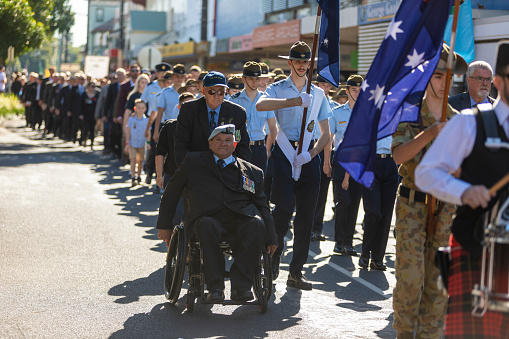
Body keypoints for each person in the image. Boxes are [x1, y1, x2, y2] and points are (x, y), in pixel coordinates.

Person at [415, 40, 509, 339]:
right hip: (477, 250)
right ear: (499, 82)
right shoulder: (471, 123)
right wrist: (464, 191)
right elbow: (426, 174)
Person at [391, 43, 467, 339]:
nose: (443, 82)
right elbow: (398, 156)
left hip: (446, 209)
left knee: (438, 284)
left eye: (447, 76)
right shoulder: (409, 112)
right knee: (410, 280)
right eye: (437, 76)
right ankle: (404, 335)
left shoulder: (460, 121)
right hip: (412, 205)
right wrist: (431, 133)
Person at [156, 124, 277, 303]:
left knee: (257, 225)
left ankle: (241, 287)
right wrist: (165, 225)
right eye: (218, 140)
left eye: (228, 140)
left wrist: (272, 238)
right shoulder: (193, 162)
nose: (223, 144)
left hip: (240, 219)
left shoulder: (252, 172)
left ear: (234, 145)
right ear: (210, 143)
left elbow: (262, 206)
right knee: (207, 225)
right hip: (207, 218)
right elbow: (171, 193)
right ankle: (215, 287)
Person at [256, 41, 332, 290]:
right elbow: (261, 105)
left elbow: (326, 133)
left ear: (310, 64)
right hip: (283, 153)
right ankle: (274, 258)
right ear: (289, 63)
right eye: (297, 61)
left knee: (307, 216)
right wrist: (295, 101)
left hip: (307, 156)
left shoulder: (318, 94)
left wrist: (311, 155)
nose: (301, 66)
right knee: (283, 209)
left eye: (305, 62)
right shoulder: (278, 88)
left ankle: (296, 271)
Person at [174, 71, 251, 166]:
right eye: (212, 91)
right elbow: (181, 145)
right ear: (203, 91)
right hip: (196, 167)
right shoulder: (189, 110)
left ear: (225, 92)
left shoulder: (237, 113)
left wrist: (236, 172)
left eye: (220, 92)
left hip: (226, 169)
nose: (216, 96)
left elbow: (242, 147)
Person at [330, 75, 363, 255]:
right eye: (354, 90)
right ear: (347, 91)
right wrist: (327, 162)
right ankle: (338, 240)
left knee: (354, 203)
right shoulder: (337, 112)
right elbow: (328, 138)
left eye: (360, 90)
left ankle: (349, 242)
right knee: (342, 201)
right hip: (341, 162)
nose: (357, 94)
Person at [229, 61, 277, 173]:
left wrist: (277, 149)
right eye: (251, 78)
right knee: (240, 184)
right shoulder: (234, 100)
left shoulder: (266, 100)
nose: (255, 82)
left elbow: (273, 127)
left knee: (259, 186)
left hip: (259, 148)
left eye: (257, 78)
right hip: (239, 148)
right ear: (243, 80)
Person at [311, 75, 338, 241]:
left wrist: (327, 161)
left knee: (323, 192)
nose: (325, 88)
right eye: (322, 84)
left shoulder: (334, 106)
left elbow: (331, 134)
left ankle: (317, 227)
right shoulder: (312, 103)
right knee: (309, 189)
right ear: (317, 84)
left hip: (327, 149)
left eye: (328, 86)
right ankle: (306, 224)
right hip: (311, 146)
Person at [140, 63, 171, 185]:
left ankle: (162, 178)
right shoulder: (152, 87)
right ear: (156, 74)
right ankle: (149, 172)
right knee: (153, 150)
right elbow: (144, 103)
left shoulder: (176, 90)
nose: (163, 75)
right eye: (160, 72)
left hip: (169, 123)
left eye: (166, 73)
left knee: (167, 153)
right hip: (156, 123)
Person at [154, 64, 186, 142]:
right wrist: (156, 131)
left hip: (185, 127)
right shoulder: (165, 92)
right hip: (169, 126)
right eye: (177, 76)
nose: (179, 79)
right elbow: (160, 112)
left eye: (182, 77)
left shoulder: (187, 91)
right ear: (172, 77)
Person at [124, 99, 150, 186]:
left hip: (142, 144)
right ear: (135, 108)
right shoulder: (131, 119)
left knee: (140, 161)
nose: (140, 110)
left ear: (145, 109)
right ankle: (132, 177)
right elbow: (128, 131)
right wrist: (127, 143)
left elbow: (149, 132)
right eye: (139, 108)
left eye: (142, 108)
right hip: (133, 143)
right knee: (133, 160)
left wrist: (148, 143)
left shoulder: (147, 120)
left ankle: (138, 175)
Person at [79, 81, 100, 149]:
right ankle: (84, 140)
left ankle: (91, 143)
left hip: (93, 115)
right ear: (88, 87)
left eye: (94, 86)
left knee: (92, 129)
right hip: (85, 114)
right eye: (92, 86)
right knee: (85, 128)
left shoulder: (97, 94)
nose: (93, 88)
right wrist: (81, 114)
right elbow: (80, 105)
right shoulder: (84, 94)